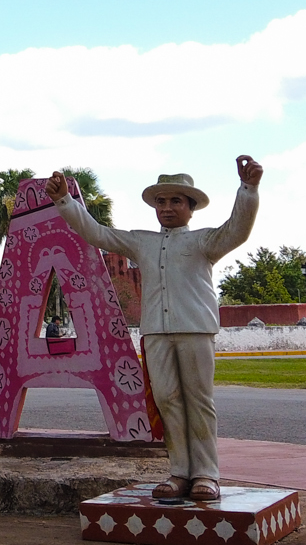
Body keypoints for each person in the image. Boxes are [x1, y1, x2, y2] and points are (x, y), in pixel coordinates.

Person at [44, 156, 262, 502]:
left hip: (195, 330)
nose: (167, 207)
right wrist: (64, 201)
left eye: (176, 200)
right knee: (167, 400)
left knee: (199, 402)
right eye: (161, 201)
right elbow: (96, 233)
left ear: (191, 208)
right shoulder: (141, 241)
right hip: (156, 332)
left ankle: (206, 474)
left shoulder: (204, 241)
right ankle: (179, 472)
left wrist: (248, 188)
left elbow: (238, 228)